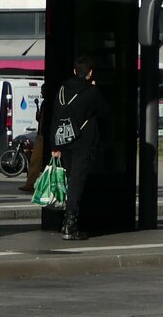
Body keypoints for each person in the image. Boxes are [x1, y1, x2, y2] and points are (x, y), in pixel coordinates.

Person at [51, 56, 108, 241]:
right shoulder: (92, 92)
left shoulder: (62, 90)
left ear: (74, 71)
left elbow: (55, 116)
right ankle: (70, 224)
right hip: (84, 143)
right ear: (90, 72)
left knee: (69, 180)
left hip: (64, 141)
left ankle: (65, 220)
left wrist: (55, 145)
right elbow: (105, 112)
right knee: (77, 181)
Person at [17, 83, 52, 193]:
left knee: (36, 161)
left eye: (43, 90)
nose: (41, 93)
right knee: (37, 161)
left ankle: (32, 183)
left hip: (43, 136)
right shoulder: (46, 103)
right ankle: (31, 183)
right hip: (41, 135)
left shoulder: (48, 103)